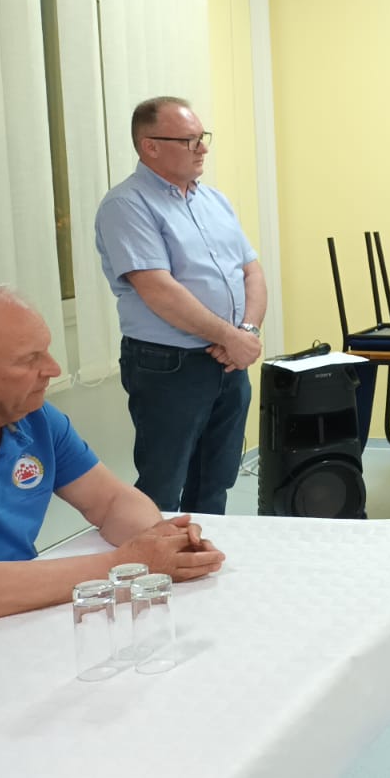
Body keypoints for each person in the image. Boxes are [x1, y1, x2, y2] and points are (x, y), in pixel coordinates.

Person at [0, 284, 225, 625]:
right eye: (29, 360)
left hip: (13, 614)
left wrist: (164, 541)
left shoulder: (36, 419)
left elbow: (111, 501)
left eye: (46, 352)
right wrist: (126, 563)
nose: (54, 369)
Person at [95, 96, 265, 515]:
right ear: (150, 146)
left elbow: (252, 272)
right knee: (163, 483)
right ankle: (157, 556)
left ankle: (202, 550)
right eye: (190, 140)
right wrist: (231, 337)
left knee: (216, 479)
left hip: (229, 362)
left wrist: (246, 333)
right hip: (169, 365)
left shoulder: (214, 201)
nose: (202, 148)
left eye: (202, 137)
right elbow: (158, 290)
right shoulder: (127, 205)